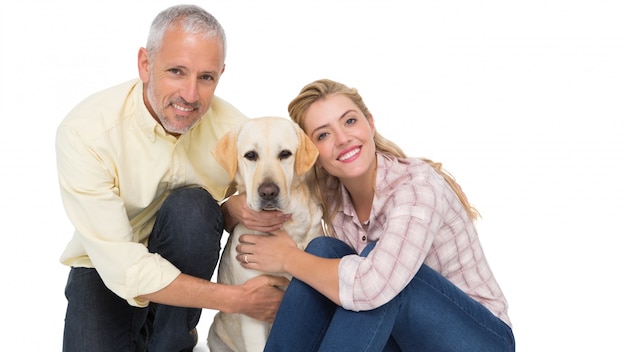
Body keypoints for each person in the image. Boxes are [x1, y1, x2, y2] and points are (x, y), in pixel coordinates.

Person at [56, 5, 290, 351]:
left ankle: (172, 340)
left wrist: (235, 208)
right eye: (177, 71)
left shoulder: (239, 135)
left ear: (221, 75)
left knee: (193, 208)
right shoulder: (86, 132)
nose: (190, 95)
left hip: (181, 260)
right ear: (145, 65)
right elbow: (123, 267)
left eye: (206, 77)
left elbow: (287, 192)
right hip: (106, 268)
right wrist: (236, 300)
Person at [236, 79, 516, 351]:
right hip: (398, 335)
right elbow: (267, 185)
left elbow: (372, 286)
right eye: (323, 134)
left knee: (378, 270)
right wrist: (231, 207)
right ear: (311, 153)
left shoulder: (417, 188)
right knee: (323, 249)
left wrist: (288, 257)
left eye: (349, 121)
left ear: (370, 123)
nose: (342, 138)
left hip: (478, 339)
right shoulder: (330, 188)